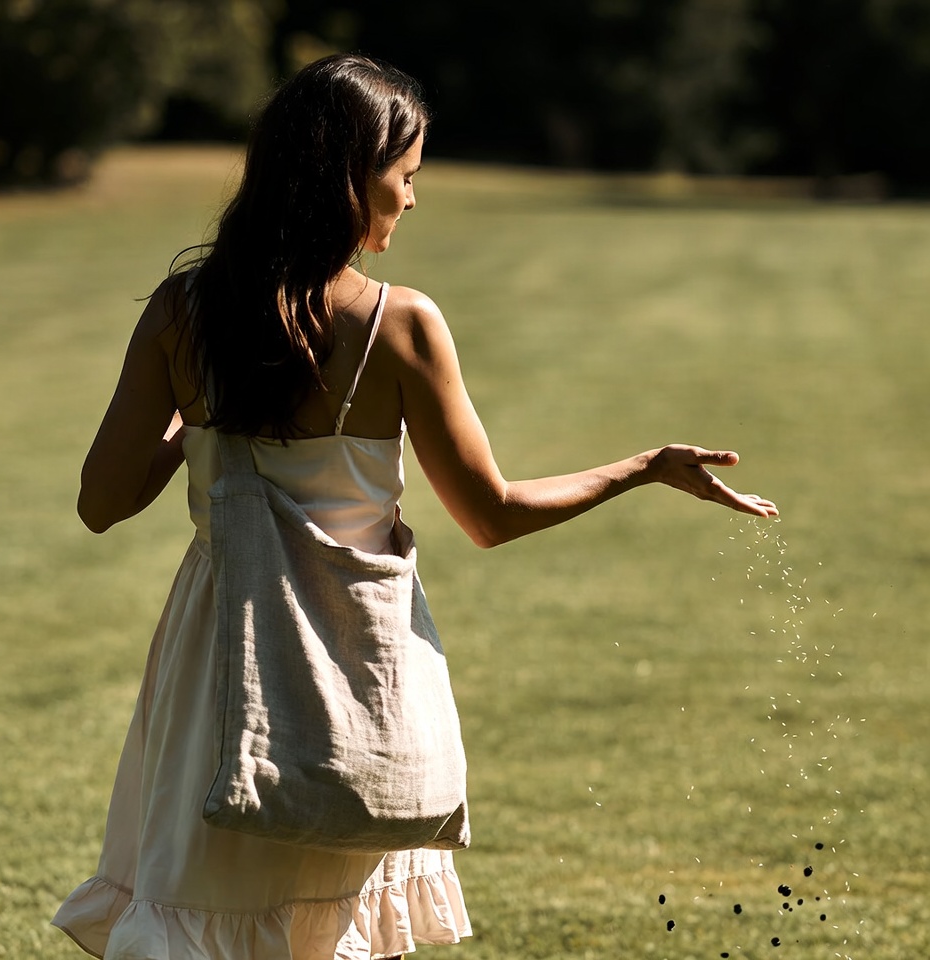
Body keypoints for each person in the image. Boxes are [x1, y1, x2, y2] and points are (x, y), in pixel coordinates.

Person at [52, 53, 778, 960]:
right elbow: (492, 513)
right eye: (404, 177)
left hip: (220, 653)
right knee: (337, 917)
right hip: (357, 662)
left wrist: (202, 421)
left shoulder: (181, 310)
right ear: (346, 183)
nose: (411, 199)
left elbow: (100, 502)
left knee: (202, 905)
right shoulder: (401, 325)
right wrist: (642, 466)